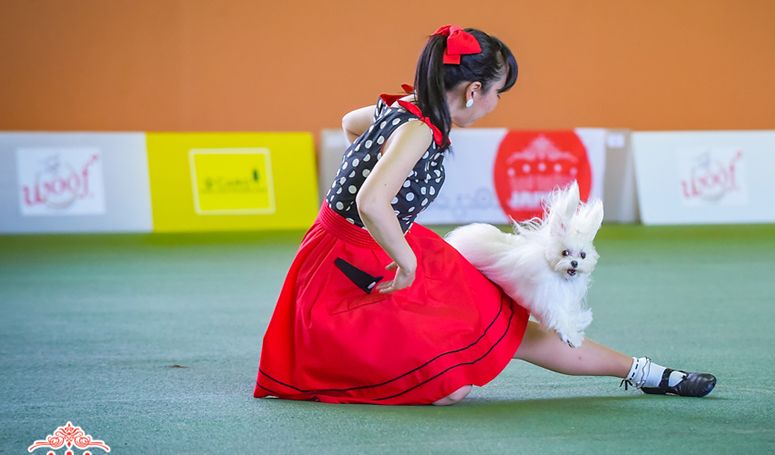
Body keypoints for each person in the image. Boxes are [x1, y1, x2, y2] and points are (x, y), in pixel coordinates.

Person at [253, 24, 716, 406]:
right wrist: (408, 261)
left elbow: (351, 125)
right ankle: (647, 372)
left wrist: (377, 175)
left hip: (369, 248)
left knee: (499, 325)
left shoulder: (402, 111)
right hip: (352, 269)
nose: (496, 103)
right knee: (451, 382)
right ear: (474, 91)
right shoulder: (416, 129)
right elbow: (370, 203)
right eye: (498, 93)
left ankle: (645, 372)